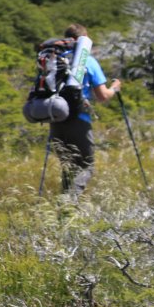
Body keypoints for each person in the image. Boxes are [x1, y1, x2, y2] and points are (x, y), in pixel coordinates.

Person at [50, 23, 121, 197]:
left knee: (68, 166)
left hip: (55, 119)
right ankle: (68, 205)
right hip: (79, 120)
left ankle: (64, 211)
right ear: (84, 40)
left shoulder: (54, 60)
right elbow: (102, 96)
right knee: (85, 165)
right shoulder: (87, 60)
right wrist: (115, 88)